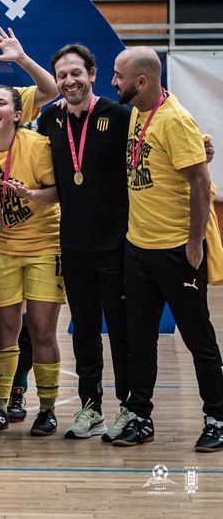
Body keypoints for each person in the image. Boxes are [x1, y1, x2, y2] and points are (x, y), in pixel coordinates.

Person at [110, 46, 223, 452]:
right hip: (138, 248)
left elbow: (200, 184)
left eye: (119, 76)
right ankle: (140, 416)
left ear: (141, 82)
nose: (113, 81)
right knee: (140, 340)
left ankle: (217, 418)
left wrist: (194, 243)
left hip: (177, 251)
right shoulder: (138, 113)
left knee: (198, 338)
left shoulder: (175, 120)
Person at [35, 43, 133, 441]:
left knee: (122, 331)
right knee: (84, 332)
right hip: (74, 245)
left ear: (92, 74)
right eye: (62, 75)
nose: (69, 81)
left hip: (118, 244)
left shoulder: (120, 115)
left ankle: (130, 407)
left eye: (76, 73)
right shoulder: (50, 119)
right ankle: (91, 409)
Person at [0, 86, 64, 437]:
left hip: (43, 245)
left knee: (41, 331)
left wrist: (31, 194)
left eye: (1, 103)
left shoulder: (37, 146)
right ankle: (1, 406)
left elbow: (59, 192)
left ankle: (48, 409)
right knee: (5, 331)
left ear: (18, 115)